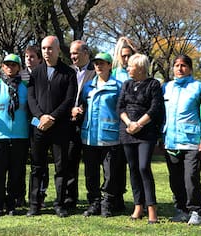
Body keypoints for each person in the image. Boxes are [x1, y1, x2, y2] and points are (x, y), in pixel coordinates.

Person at [27, 36, 77, 217]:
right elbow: (31, 98)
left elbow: (69, 99)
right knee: (37, 167)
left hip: (60, 127)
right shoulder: (36, 73)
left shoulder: (68, 73)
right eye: (43, 48)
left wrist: (53, 117)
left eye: (50, 48)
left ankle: (59, 204)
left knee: (61, 167)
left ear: (57, 50)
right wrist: (41, 117)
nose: (46, 52)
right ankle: (34, 204)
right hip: (39, 127)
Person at [163, 54, 201, 225]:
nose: (180, 68)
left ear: (190, 68)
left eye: (184, 65)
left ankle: (196, 211)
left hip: (192, 142)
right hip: (170, 142)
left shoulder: (200, 88)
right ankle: (181, 210)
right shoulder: (165, 87)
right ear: (173, 68)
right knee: (175, 179)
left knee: (191, 178)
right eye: (176, 65)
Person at [117, 53, 164, 224]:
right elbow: (120, 106)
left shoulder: (153, 84)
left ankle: (152, 208)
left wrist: (139, 124)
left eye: (130, 66)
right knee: (133, 168)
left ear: (141, 68)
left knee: (144, 167)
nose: (128, 68)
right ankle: (139, 206)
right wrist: (129, 123)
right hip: (127, 131)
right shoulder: (126, 84)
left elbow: (155, 108)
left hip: (146, 133)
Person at [0, 54, 29, 217]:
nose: (10, 67)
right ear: (2, 67)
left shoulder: (26, 86)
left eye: (14, 65)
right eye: (7, 64)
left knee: (16, 173)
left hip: (20, 136)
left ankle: (12, 204)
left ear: (19, 68)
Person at [79, 52, 122, 218]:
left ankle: (107, 204)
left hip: (110, 137)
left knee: (110, 174)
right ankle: (94, 203)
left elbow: (122, 110)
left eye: (102, 63)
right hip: (89, 136)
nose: (99, 66)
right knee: (91, 174)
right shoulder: (88, 86)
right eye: (96, 63)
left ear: (110, 65)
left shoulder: (118, 86)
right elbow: (82, 105)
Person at [66, 40, 96, 210]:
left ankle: (94, 201)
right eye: (71, 53)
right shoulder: (69, 72)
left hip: (89, 124)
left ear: (86, 53)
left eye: (75, 53)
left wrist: (82, 109)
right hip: (70, 125)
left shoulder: (95, 71)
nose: (72, 56)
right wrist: (70, 110)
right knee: (70, 163)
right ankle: (70, 200)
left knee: (91, 166)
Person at [111, 36, 138, 211]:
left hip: (136, 124)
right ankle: (117, 198)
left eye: (129, 55)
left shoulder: (138, 73)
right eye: (123, 55)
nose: (126, 59)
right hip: (116, 125)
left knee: (136, 167)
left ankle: (140, 202)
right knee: (116, 166)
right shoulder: (113, 74)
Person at [18, 45, 47, 208]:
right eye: (27, 57)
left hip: (40, 123)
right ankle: (20, 195)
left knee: (40, 162)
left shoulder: (45, 74)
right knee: (20, 162)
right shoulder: (19, 76)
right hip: (22, 125)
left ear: (39, 59)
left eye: (32, 57)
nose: (29, 59)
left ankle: (40, 195)